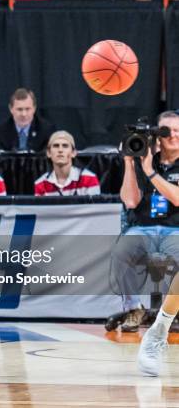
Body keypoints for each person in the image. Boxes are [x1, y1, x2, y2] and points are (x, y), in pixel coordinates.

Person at [112, 110, 179, 376]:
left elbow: (177, 198)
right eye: (167, 131)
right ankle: (134, 310)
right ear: (156, 135)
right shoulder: (143, 158)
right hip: (143, 227)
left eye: (177, 130)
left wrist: (150, 172)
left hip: (175, 229)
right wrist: (131, 163)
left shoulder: (152, 166)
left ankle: (164, 320)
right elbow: (130, 201)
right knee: (123, 249)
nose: (173, 135)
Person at [34, 130, 101, 196]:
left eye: (65, 146)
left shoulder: (89, 179)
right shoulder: (40, 184)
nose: (60, 150)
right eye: (56, 146)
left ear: (73, 153)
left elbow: (94, 207)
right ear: (48, 153)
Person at [0, 88, 56, 152]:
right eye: (19, 109)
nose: (24, 114)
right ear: (11, 109)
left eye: (27, 109)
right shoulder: (0, 131)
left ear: (34, 108)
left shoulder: (46, 130)